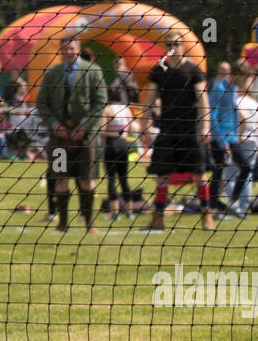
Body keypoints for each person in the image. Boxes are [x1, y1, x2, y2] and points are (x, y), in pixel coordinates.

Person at [142, 31, 214, 232]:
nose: (173, 47)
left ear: (183, 45)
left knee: (199, 174)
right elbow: (149, 99)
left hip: (190, 130)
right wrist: (144, 123)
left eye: (177, 43)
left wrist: (205, 127)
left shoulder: (193, 70)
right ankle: (158, 217)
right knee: (161, 175)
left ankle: (206, 215)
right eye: (169, 44)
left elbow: (203, 101)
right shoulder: (159, 70)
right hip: (167, 129)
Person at [36, 33, 107, 234]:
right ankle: (62, 224)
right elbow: (42, 102)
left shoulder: (94, 71)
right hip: (59, 138)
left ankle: (89, 224)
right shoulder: (52, 73)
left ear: (79, 48)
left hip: (86, 138)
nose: (68, 51)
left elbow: (100, 102)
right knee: (60, 178)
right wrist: (54, 124)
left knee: (87, 179)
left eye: (72, 47)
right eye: (65, 48)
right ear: (60, 50)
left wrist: (84, 126)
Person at [229, 70, 258, 217]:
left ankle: (233, 205)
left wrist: (239, 135)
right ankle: (243, 206)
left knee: (229, 174)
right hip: (254, 141)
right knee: (247, 175)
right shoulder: (255, 103)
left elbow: (242, 120)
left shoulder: (236, 101)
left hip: (240, 141)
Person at [101, 87, 136, 219]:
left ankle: (114, 213)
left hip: (111, 144)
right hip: (123, 144)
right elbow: (132, 128)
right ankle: (129, 212)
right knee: (124, 179)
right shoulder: (126, 110)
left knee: (111, 179)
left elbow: (102, 130)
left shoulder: (107, 110)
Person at [207, 61, 237, 208]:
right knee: (218, 171)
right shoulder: (217, 87)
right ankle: (214, 202)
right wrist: (221, 139)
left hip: (231, 136)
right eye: (222, 70)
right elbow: (212, 115)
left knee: (223, 171)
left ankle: (218, 201)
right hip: (219, 137)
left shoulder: (234, 89)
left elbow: (233, 113)